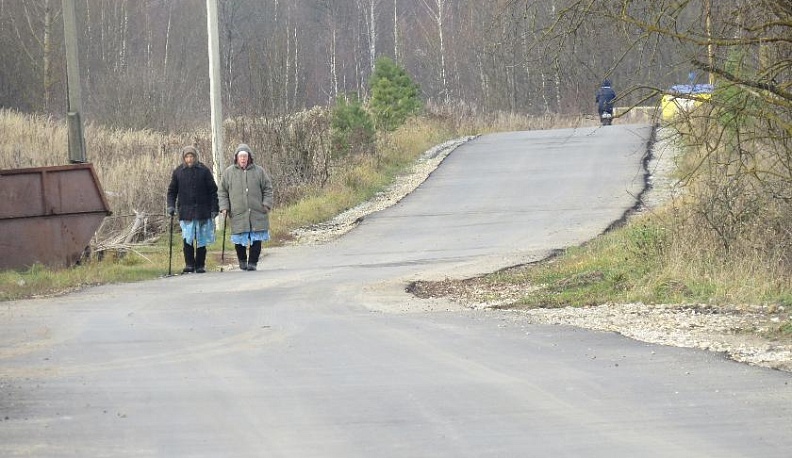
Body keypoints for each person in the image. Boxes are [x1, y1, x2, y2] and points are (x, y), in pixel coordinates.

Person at [218, 143, 274, 271]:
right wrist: (224, 207)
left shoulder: (259, 171)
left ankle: (253, 262)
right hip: (238, 212)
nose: (243, 159)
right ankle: (242, 260)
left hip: (257, 211)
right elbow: (222, 192)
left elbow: (267, 189)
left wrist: (266, 204)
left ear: (249, 157)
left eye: (245, 156)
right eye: (241, 156)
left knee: (256, 239)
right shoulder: (229, 173)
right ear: (236, 158)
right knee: (239, 239)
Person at [166, 146, 219, 274]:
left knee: (201, 240)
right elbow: (172, 191)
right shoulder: (178, 172)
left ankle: (200, 265)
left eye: (192, 157)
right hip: (186, 212)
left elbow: (213, 191)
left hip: (202, 211)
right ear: (184, 158)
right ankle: (189, 264)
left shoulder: (204, 171)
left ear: (196, 157)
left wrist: (214, 208)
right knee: (187, 239)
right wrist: (171, 206)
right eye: (187, 157)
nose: (189, 159)